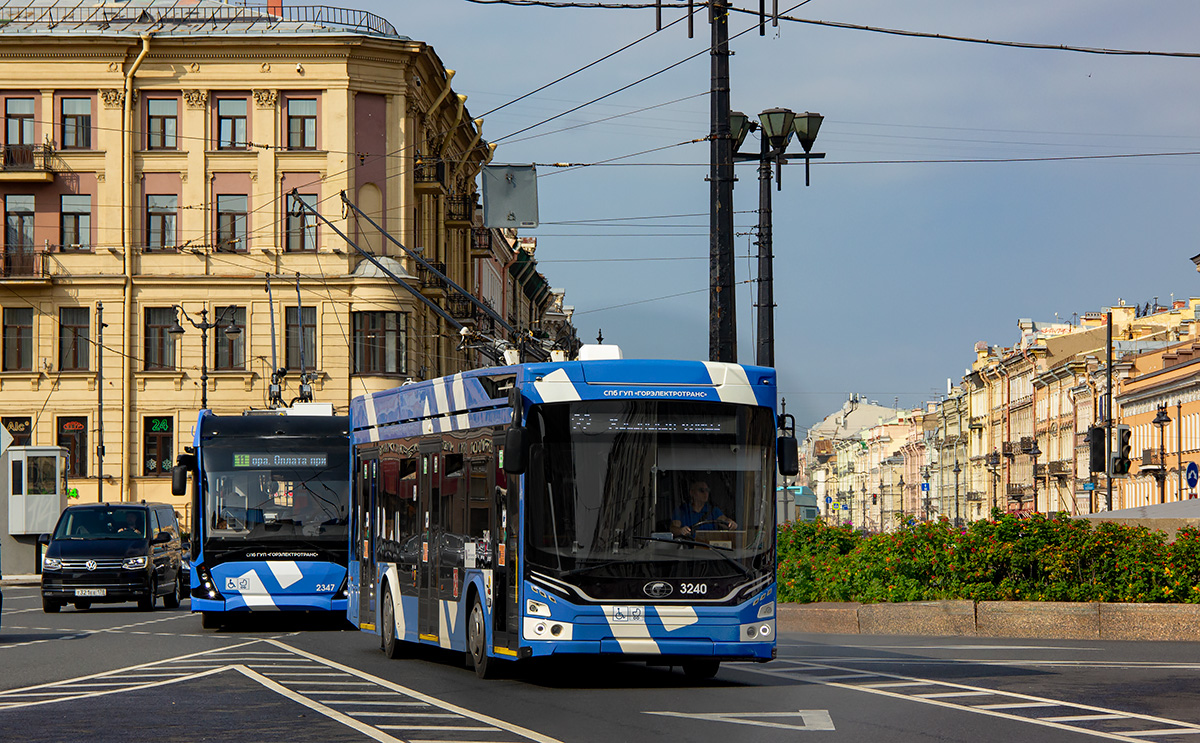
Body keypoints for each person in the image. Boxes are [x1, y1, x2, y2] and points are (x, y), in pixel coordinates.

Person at [671, 480, 737, 538]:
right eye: (701, 490)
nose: (705, 493)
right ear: (692, 493)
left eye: (707, 490)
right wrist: (681, 531)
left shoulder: (713, 510)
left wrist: (730, 523)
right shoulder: (682, 510)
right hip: (689, 548)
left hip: (710, 548)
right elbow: (673, 528)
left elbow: (724, 520)